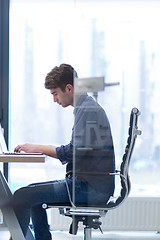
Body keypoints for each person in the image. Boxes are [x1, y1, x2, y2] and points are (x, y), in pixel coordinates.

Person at [11, 63, 115, 240]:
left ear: (69, 88)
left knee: (21, 196)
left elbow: (72, 152)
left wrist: (36, 148)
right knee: (31, 194)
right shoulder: (85, 108)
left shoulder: (88, 110)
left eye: (55, 94)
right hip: (86, 183)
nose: (54, 99)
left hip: (90, 188)